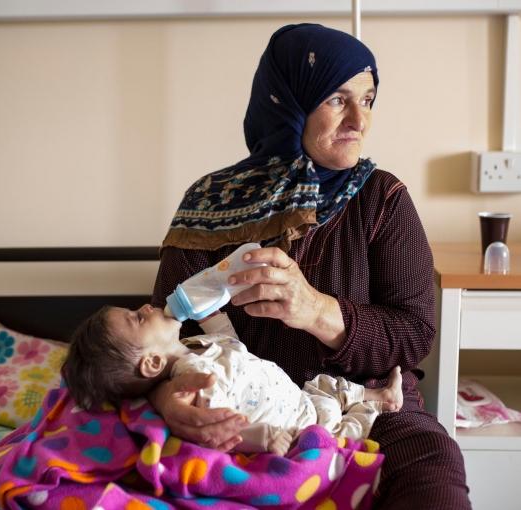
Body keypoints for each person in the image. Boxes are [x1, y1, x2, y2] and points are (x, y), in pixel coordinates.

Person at [149, 23, 470, 508]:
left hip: (369, 411)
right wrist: (166, 401)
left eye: (369, 100)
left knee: (434, 473)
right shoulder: (209, 203)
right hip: (241, 414)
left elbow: (415, 333)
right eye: (338, 99)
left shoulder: (381, 199)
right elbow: (161, 334)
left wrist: (316, 310)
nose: (359, 121)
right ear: (288, 102)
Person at [61, 303, 403, 455]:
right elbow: (222, 428)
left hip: (300, 394)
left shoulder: (192, 347)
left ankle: (374, 395)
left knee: (327, 385)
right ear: (151, 363)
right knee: (345, 432)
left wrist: (212, 315)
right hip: (299, 426)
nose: (147, 307)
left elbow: (232, 345)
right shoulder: (195, 384)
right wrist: (263, 437)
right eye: (138, 318)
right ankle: (375, 408)